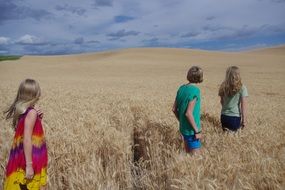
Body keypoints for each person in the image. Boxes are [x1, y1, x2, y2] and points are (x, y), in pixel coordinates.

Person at [3, 79, 48, 190]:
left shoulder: (24, 111)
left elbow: (28, 132)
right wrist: (29, 165)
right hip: (31, 159)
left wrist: (39, 120)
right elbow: (27, 139)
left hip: (23, 158)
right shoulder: (31, 113)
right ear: (34, 94)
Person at [172, 66, 203, 154]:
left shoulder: (181, 88)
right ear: (200, 77)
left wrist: (181, 121)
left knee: (188, 157)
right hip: (192, 131)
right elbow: (188, 113)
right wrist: (197, 131)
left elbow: (174, 109)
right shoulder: (195, 91)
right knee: (196, 160)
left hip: (183, 128)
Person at [218, 66, 248, 131]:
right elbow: (243, 106)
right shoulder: (242, 88)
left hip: (224, 116)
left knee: (225, 138)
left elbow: (222, 102)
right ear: (238, 75)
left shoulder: (223, 86)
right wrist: (244, 121)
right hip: (235, 117)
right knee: (233, 139)